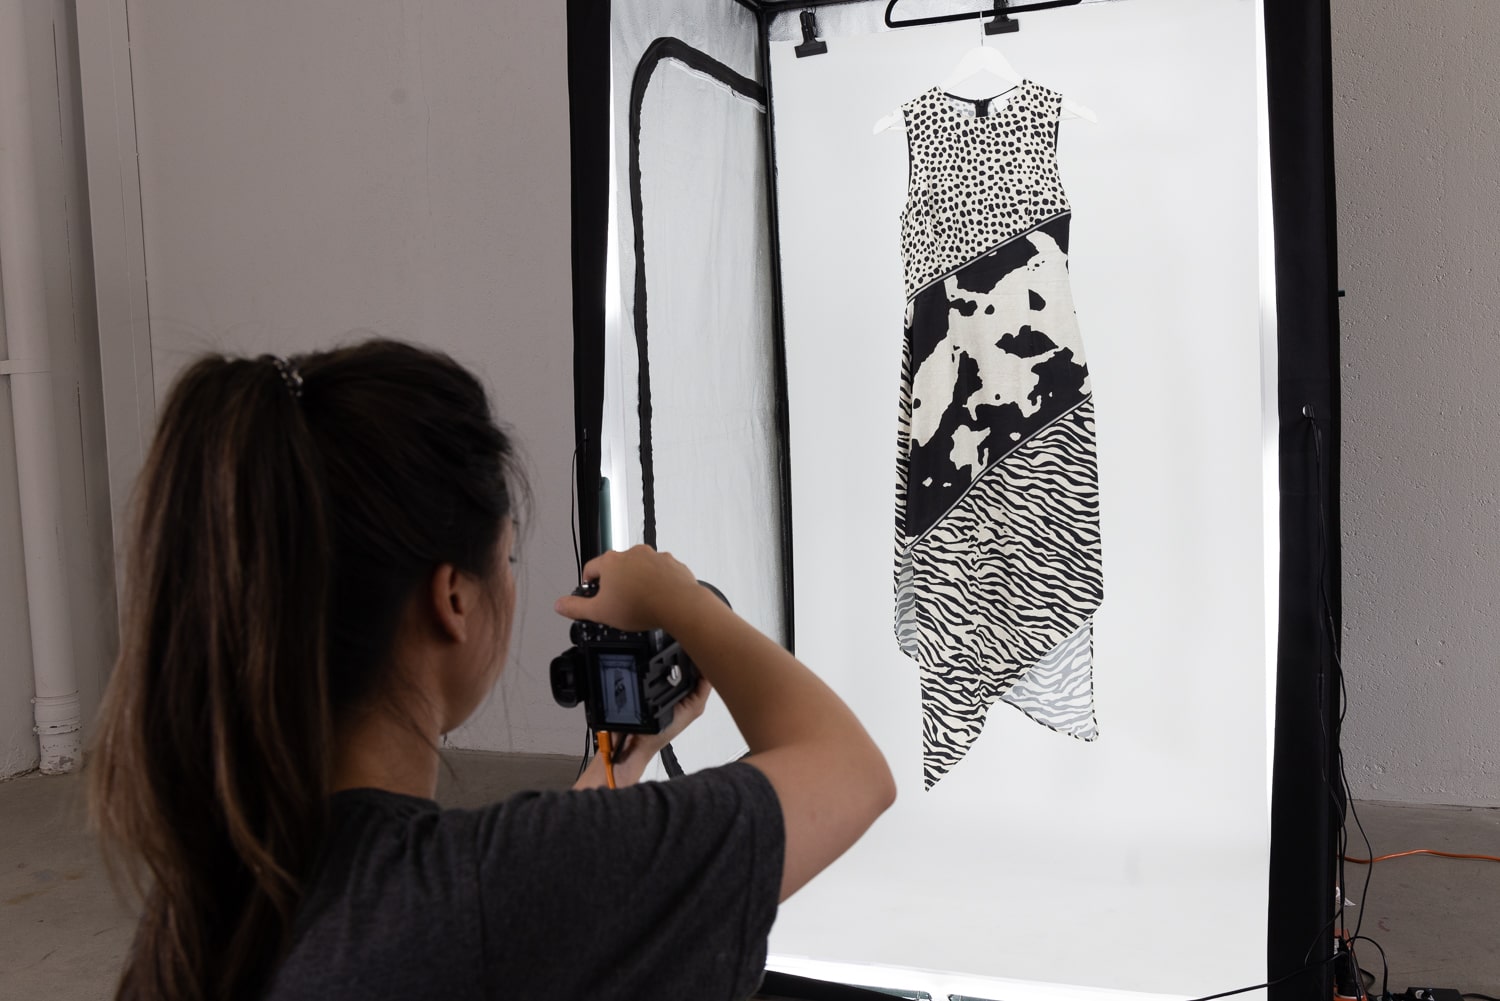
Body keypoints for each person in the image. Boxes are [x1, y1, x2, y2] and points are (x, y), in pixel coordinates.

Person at [89, 338, 896, 1001]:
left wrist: (626, 758)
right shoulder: (481, 886)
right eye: (506, 557)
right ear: (453, 599)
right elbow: (850, 772)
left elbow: (540, 915)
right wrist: (680, 600)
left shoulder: (212, 903)